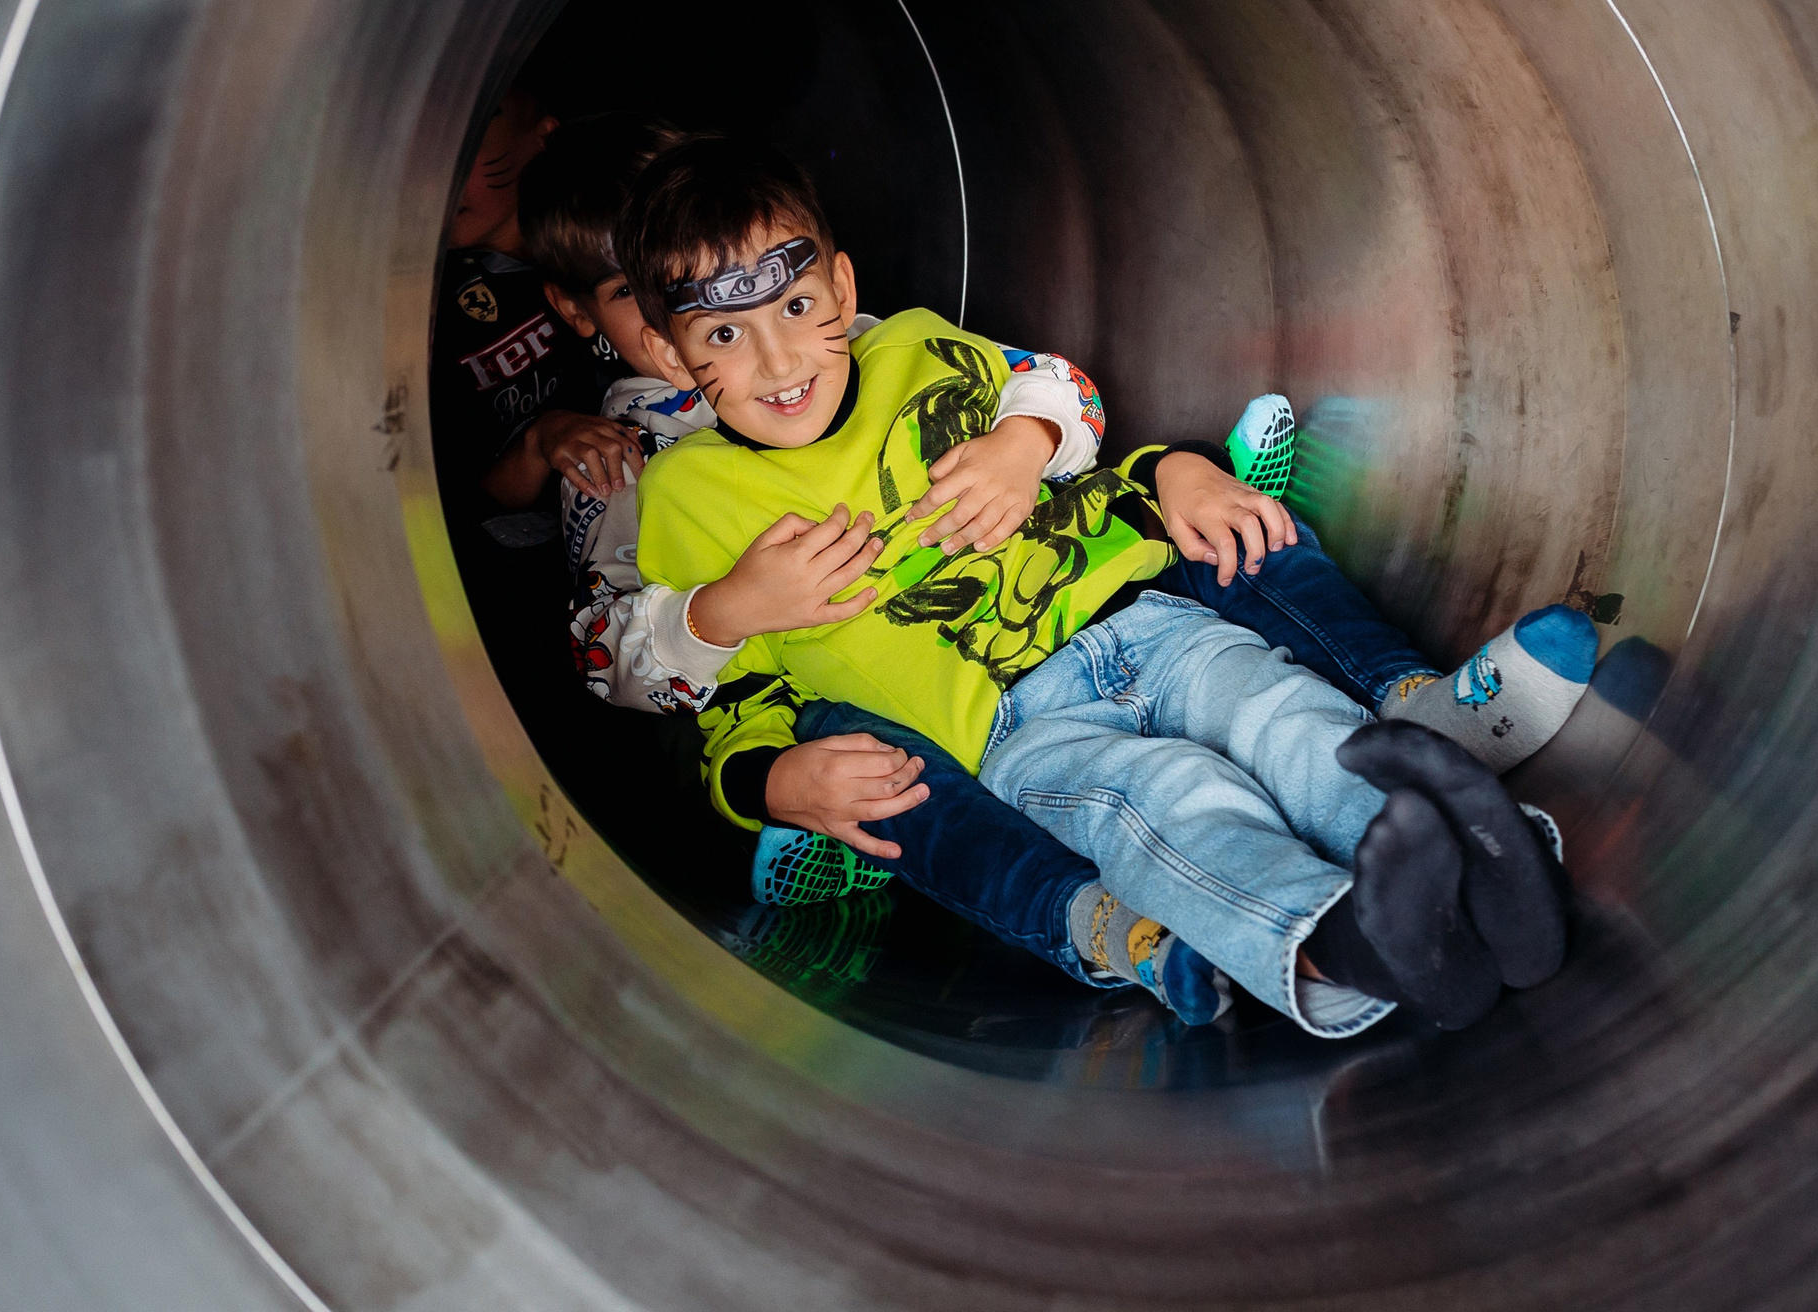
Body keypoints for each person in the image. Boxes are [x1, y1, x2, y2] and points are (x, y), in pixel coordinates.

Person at [622, 137, 1578, 1037]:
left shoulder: (912, 345)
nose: (780, 360)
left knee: (1279, 711)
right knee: (1166, 799)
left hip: (1148, 622)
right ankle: (1337, 946)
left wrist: (1019, 442)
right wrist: (726, 621)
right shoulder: (687, 498)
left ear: (842, 284)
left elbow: (1060, 396)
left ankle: (1476, 871)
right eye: (723, 333)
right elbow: (688, 689)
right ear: (668, 355)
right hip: (1014, 727)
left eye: (795, 307)